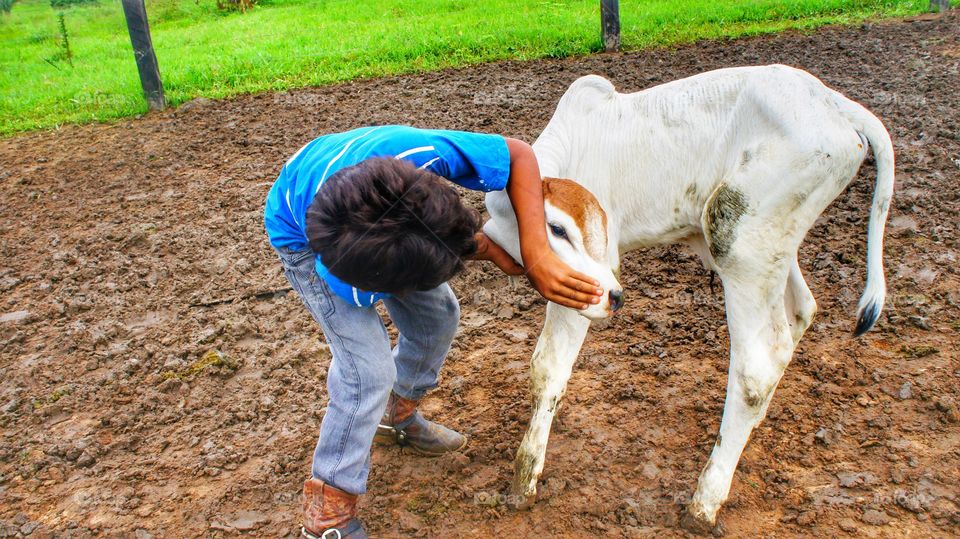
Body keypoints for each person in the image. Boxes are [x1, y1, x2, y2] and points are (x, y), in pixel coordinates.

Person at [263, 125, 603, 538]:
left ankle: (396, 417)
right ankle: (327, 515)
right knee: (367, 372)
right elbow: (375, 280)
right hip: (301, 237)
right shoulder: (345, 272)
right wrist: (483, 250)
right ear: (387, 283)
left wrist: (535, 253)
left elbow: (518, 155)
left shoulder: (421, 154)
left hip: (370, 212)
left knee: (438, 314)